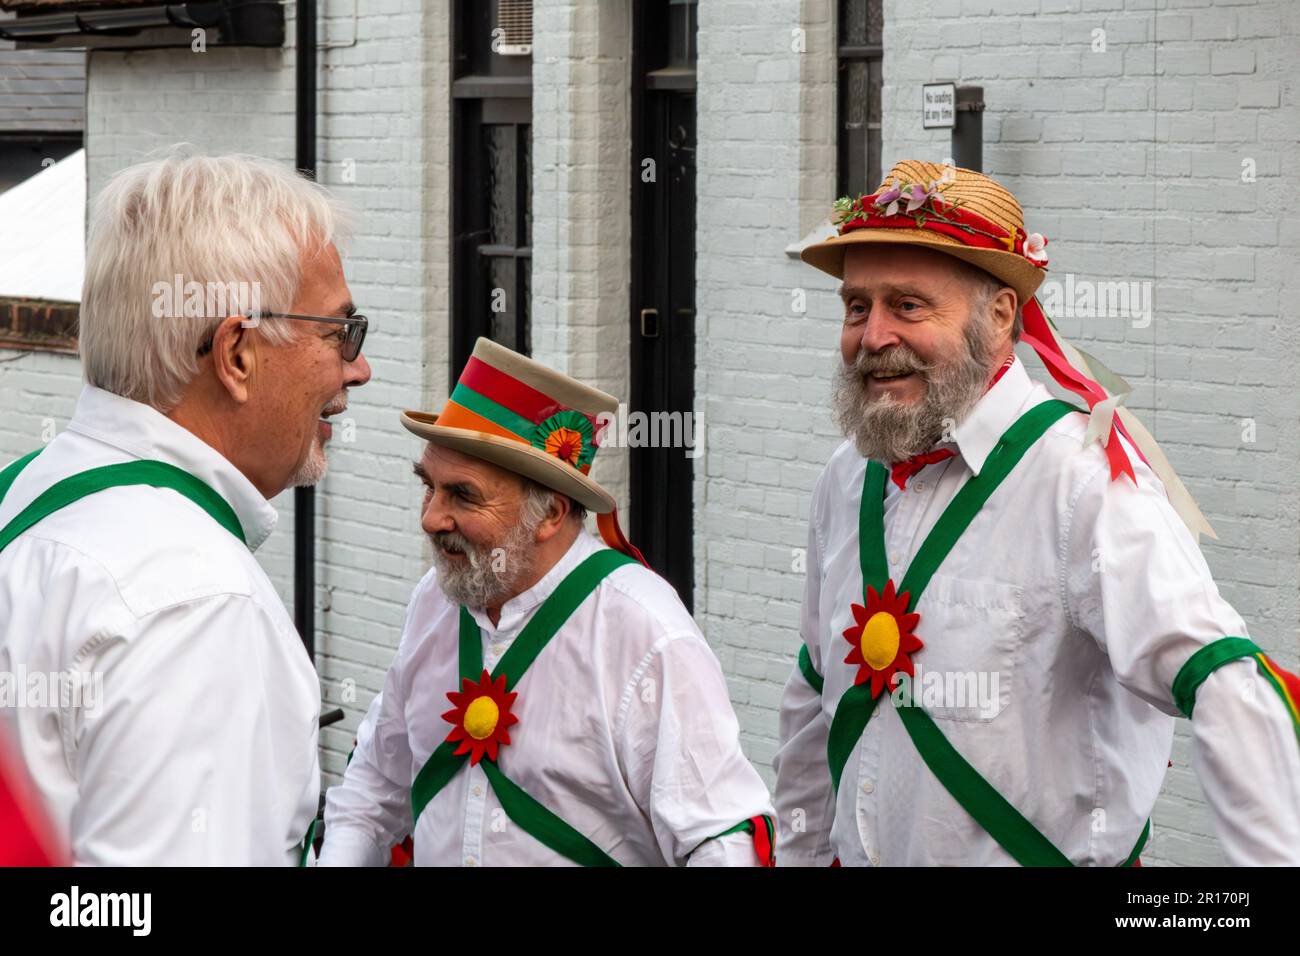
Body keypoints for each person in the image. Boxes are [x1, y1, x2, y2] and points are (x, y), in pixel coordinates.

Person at [774, 159, 1300, 866]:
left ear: (998, 319)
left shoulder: (1082, 482)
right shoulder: (846, 481)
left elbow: (1222, 676)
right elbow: (814, 696)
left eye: (908, 305)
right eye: (856, 307)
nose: (872, 338)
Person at [0, 149, 372, 864]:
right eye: (338, 333)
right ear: (237, 354)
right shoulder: (198, 601)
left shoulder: (27, 492)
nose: (357, 366)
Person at [320, 337, 775, 866]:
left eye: (462, 495)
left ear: (552, 514)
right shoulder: (436, 599)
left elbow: (721, 841)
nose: (431, 518)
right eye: (429, 487)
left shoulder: (645, 630)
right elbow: (374, 789)